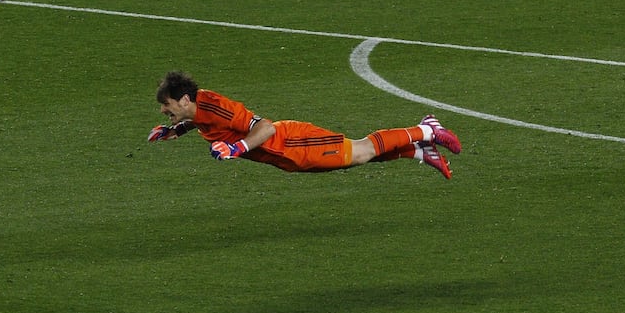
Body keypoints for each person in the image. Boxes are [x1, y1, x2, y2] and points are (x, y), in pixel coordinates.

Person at [148, 71, 461, 179]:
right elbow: (210, 125)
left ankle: (425, 129)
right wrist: (177, 129)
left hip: (292, 143)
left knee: (361, 151)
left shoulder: (216, 106)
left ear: (185, 100)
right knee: (355, 158)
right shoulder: (199, 111)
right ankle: (420, 152)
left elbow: (266, 128)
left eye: (168, 105)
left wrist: (236, 148)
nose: (164, 110)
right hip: (286, 157)